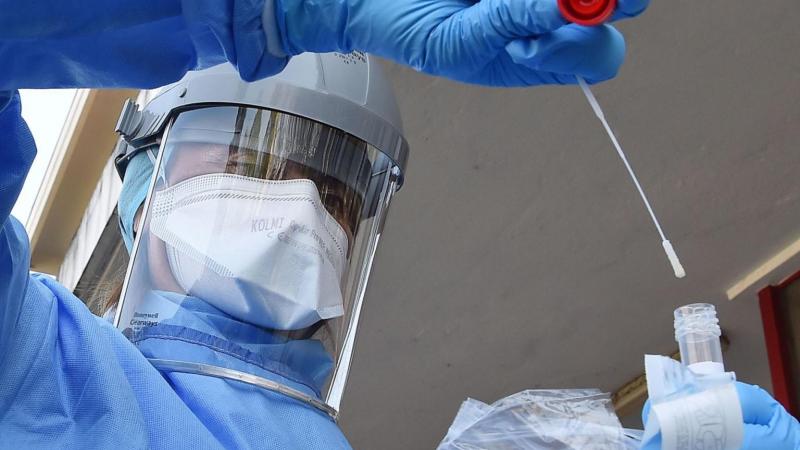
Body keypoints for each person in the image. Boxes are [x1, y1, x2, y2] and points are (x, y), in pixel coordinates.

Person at [0, 0, 794, 448]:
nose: (298, 209)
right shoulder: (35, 362)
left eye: (333, 193)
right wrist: (267, 12)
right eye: (251, 162)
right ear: (145, 182)